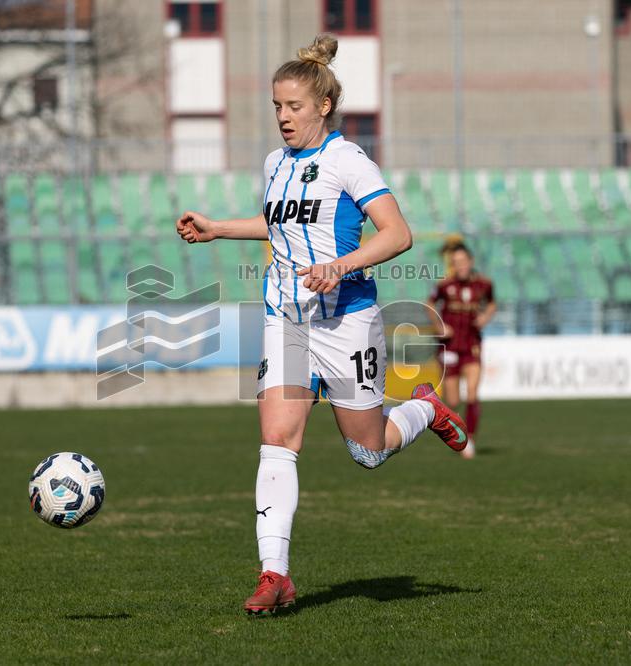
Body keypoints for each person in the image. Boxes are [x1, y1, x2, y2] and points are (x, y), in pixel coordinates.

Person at [175, 34, 468, 615]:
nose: (283, 118)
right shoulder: (274, 164)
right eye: (277, 107)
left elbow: (397, 233)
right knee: (276, 441)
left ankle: (424, 409)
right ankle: (274, 574)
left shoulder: (348, 161)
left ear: (323, 107)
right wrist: (217, 228)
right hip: (285, 318)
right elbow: (277, 224)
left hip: (347, 321)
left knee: (367, 450)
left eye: (294, 107)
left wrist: (341, 265)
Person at [426, 242, 496, 459]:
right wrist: (439, 326)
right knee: (453, 400)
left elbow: (492, 303)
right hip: (449, 347)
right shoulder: (445, 285)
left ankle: (470, 440)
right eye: (456, 263)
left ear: (471, 262)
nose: (461, 266)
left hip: (472, 344)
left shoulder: (484, 284)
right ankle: (455, 432)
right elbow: (429, 304)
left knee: (473, 393)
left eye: (463, 261)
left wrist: (485, 316)